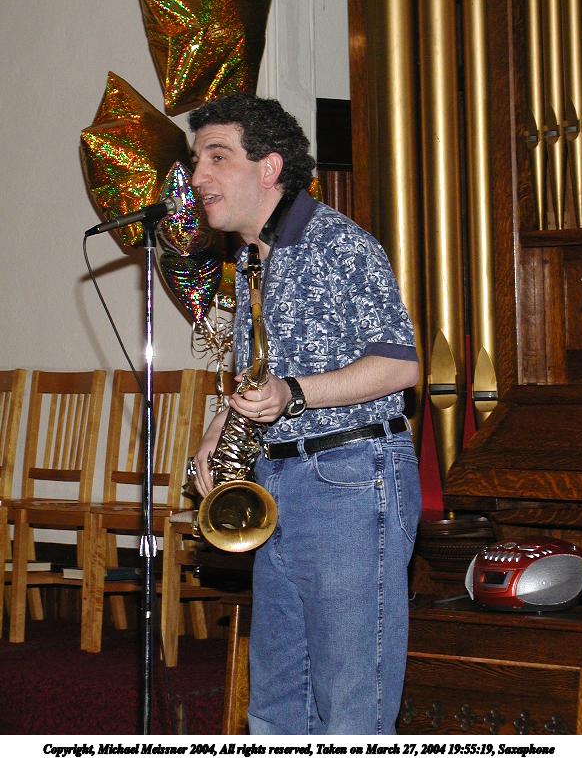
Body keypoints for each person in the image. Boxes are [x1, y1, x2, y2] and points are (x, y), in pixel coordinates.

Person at [188, 93, 421, 735]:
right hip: (280, 481)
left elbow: (400, 366)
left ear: (269, 168)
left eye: (217, 157)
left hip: (349, 481)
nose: (198, 176)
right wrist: (220, 430)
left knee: (350, 705)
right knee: (278, 704)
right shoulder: (252, 259)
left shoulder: (337, 243)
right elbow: (265, 373)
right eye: (196, 160)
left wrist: (294, 393)